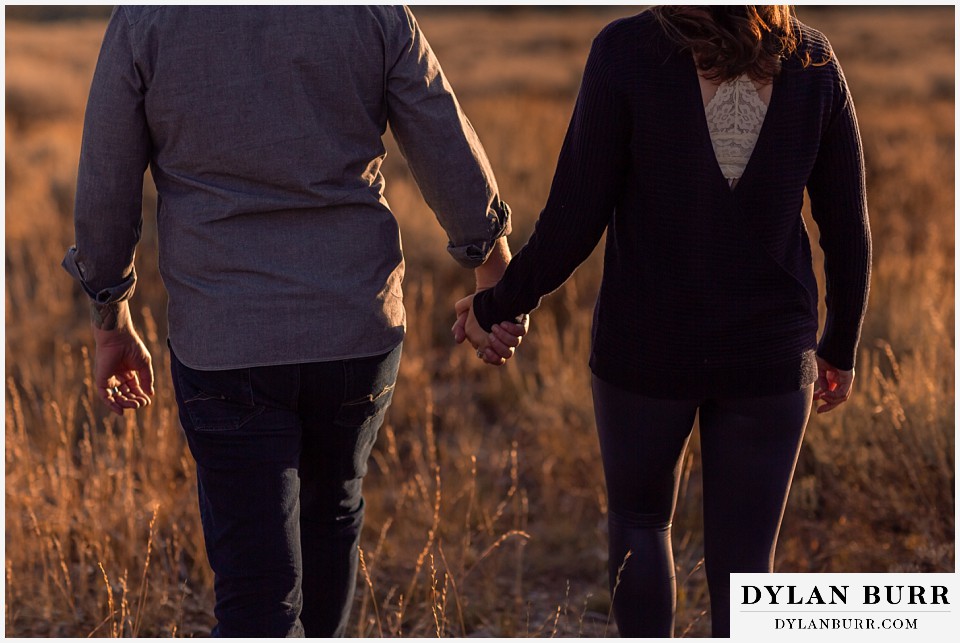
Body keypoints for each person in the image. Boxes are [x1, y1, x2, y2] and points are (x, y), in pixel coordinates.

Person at [63, 6, 527, 637]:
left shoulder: (148, 17)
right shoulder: (370, 10)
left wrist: (110, 316)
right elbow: (440, 130)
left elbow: (105, 183)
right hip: (354, 327)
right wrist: (491, 265)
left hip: (225, 337)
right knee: (333, 514)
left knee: (257, 592)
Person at [455, 5, 870, 638]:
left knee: (641, 524)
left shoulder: (626, 50)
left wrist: (496, 306)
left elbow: (574, 219)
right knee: (747, 563)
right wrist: (838, 348)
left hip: (644, 346)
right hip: (770, 356)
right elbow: (848, 231)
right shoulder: (812, 61)